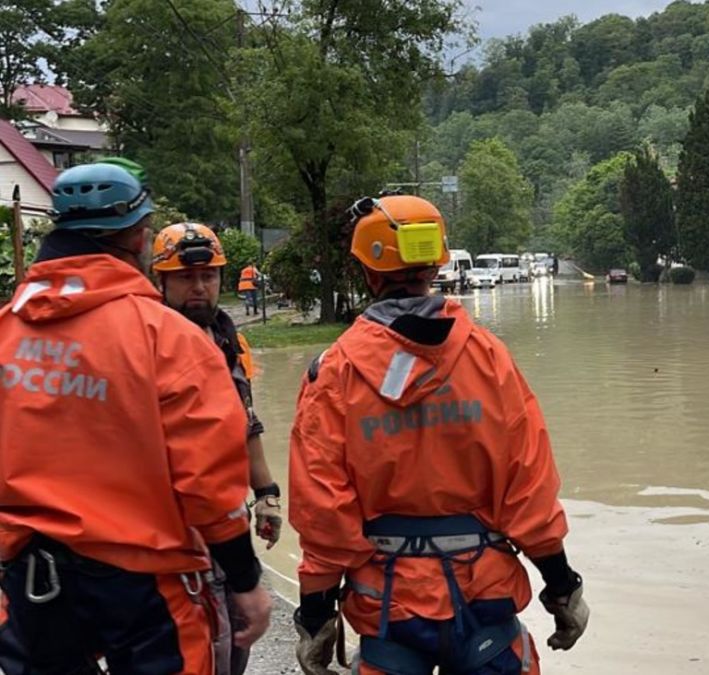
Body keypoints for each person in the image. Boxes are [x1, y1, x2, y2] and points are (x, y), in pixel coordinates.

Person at [289, 195, 589, 675]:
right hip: (484, 599)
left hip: (388, 610)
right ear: (436, 264)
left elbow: (323, 508)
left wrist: (316, 612)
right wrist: (562, 584)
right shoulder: (488, 357)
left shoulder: (333, 373)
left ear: (367, 272)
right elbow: (528, 487)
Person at [0, 160, 273, 674]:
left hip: (33, 581)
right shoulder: (167, 339)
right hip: (146, 587)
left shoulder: (7, 330)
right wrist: (244, 581)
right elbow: (209, 483)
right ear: (139, 237)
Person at [152, 222, 284, 675]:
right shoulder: (146, 345)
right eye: (187, 278)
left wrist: (266, 493)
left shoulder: (228, 340)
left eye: (209, 277)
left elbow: (244, 422)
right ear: (161, 281)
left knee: (234, 647)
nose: (199, 288)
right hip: (169, 534)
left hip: (225, 527)